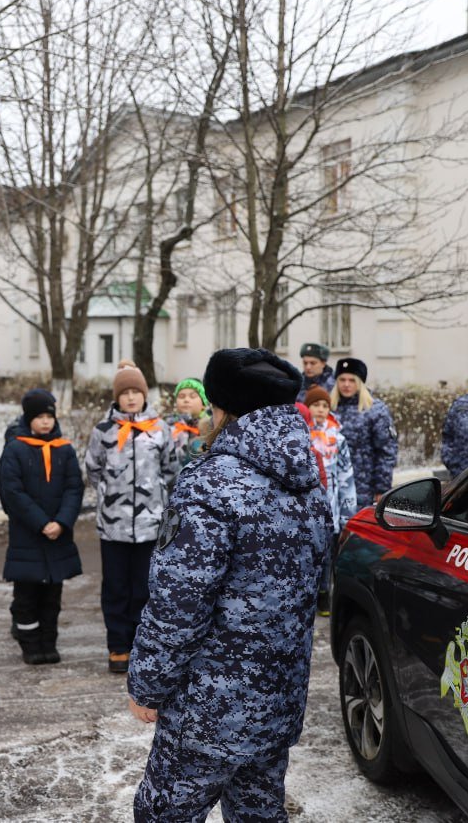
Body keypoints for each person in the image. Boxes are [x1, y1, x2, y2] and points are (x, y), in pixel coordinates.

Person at [128, 348, 331, 823]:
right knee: (258, 813)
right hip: (277, 699)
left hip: (208, 708)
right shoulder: (306, 478)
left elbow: (180, 600)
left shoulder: (210, 481)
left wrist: (148, 684)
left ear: (221, 407)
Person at [85, 362, 179, 674]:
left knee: (145, 587)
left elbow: (171, 470)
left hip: (150, 527)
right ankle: (118, 646)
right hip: (114, 525)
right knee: (115, 587)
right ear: (116, 397)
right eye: (124, 393)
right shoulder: (104, 432)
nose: (130, 398)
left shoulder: (159, 429)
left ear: (143, 395)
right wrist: (109, 494)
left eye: (135, 392)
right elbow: (93, 469)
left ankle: (143, 646)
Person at [0, 390, 84, 665]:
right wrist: (41, 522)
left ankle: (49, 642)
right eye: (39, 417)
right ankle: (30, 644)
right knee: (27, 597)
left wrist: (62, 521)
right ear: (28, 419)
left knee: (52, 597)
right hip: (28, 536)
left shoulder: (64, 449)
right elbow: (12, 492)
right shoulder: (15, 450)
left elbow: (74, 488)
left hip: (58, 535)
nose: (45, 422)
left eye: (49, 416)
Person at [302, 386, 357, 616]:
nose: (321, 410)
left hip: (331, 501)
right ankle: (307, 595)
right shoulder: (301, 435)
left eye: (325, 406)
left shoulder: (338, 437)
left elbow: (346, 474)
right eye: (316, 405)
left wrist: (347, 510)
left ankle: (324, 593)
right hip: (306, 504)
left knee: (326, 552)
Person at [331, 358, 399, 508]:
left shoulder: (375, 410)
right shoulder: (328, 408)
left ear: (360, 383)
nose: (346, 384)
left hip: (363, 488)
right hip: (332, 487)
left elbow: (386, 452)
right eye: (342, 379)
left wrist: (382, 488)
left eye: (352, 380)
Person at [167, 378, 208, 469]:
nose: (186, 400)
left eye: (192, 396)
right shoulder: (168, 428)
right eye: (181, 396)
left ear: (203, 403)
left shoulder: (210, 428)